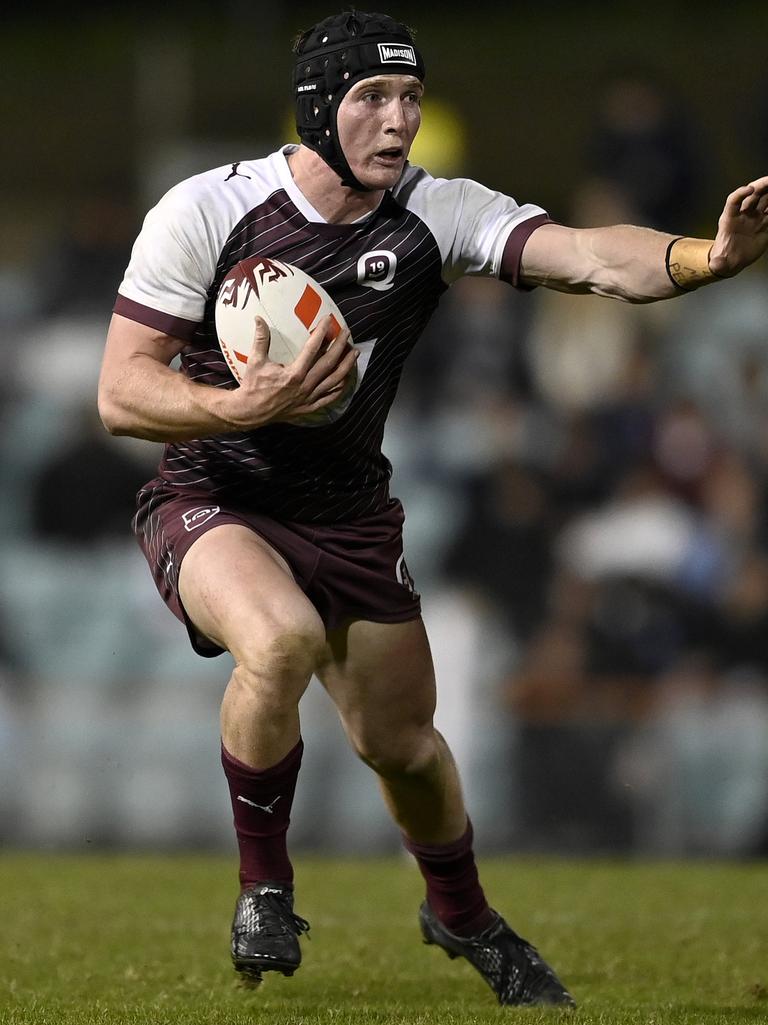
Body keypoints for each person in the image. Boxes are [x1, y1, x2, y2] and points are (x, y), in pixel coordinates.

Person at [97, 10, 768, 1009]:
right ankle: (264, 889)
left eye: (409, 97)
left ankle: (460, 912)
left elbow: (587, 255)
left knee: (404, 747)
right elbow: (120, 392)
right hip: (214, 490)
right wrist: (235, 406)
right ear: (322, 106)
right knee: (275, 641)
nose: (398, 118)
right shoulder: (206, 210)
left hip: (352, 512)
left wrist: (702, 259)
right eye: (373, 96)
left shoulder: (434, 211)